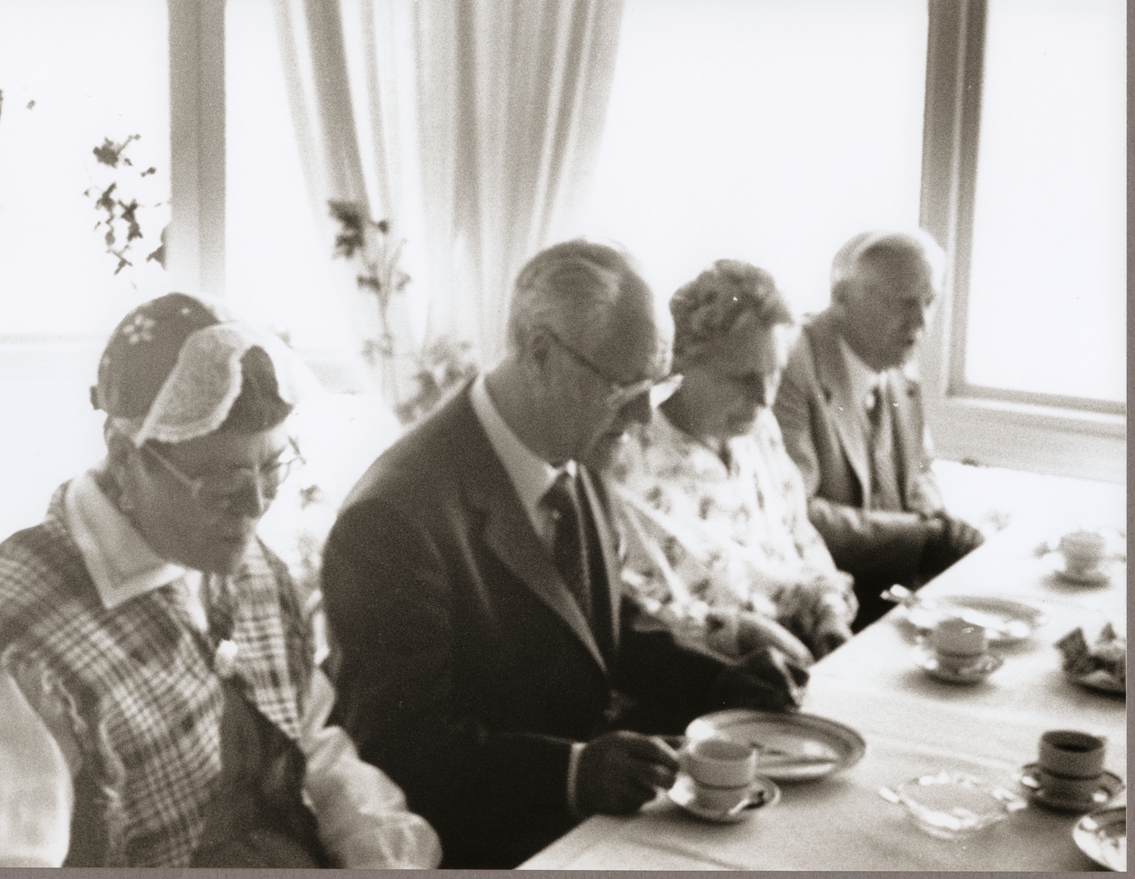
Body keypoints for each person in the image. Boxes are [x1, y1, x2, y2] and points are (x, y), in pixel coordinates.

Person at [322, 240, 809, 869]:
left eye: (655, 387)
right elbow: (398, 749)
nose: (642, 415)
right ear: (541, 355)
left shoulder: (570, 448)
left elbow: (600, 626)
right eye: (624, 387)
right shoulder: (393, 519)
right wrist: (571, 772)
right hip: (501, 847)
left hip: (595, 829)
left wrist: (719, 681)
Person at [0, 292, 441, 869]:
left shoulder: (239, 561)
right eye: (221, 482)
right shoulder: (18, 657)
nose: (254, 507)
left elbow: (310, 744)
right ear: (125, 456)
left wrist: (385, 856)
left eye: (272, 467)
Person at [603, 260, 857, 662]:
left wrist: (828, 610)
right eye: (742, 378)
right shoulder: (621, 456)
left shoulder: (759, 432)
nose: (765, 398)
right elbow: (629, 611)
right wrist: (745, 635)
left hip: (801, 655)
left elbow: (802, 543)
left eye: (774, 374)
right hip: (705, 675)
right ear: (678, 364)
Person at [773, 230, 984, 629]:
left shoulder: (895, 363)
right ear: (841, 298)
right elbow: (795, 514)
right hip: (830, 607)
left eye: (930, 301)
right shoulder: (793, 364)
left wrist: (943, 526)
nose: (920, 322)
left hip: (898, 595)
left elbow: (919, 477)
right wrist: (923, 538)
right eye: (903, 302)